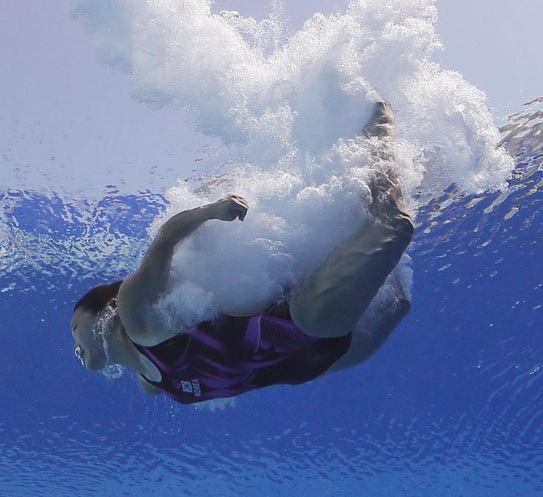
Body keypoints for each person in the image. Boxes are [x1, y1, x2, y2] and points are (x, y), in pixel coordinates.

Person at [71, 101, 414, 404]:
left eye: (75, 327)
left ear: (105, 315)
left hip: (306, 320)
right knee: (399, 302)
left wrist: (210, 211)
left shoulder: (135, 311)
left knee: (394, 227)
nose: (75, 346)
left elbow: (164, 241)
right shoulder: (150, 384)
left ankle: (379, 125)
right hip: (323, 361)